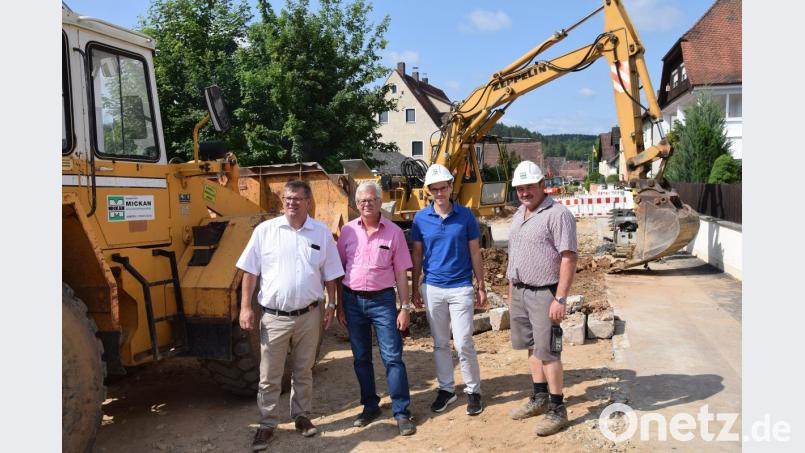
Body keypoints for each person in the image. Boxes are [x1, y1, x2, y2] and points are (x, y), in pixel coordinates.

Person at [236, 180, 344, 451]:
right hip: (274, 317)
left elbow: (331, 274)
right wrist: (245, 307)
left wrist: (331, 305)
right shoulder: (265, 231)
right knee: (269, 375)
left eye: (297, 198)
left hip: (310, 315)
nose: (291, 203)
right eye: (287, 198)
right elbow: (249, 272)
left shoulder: (321, 233)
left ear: (308, 202)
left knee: (303, 370)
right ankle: (267, 424)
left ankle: (302, 416)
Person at [336, 181, 416, 436]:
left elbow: (401, 273)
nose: (366, 204)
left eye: (371, 200)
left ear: (380, 202)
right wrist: (339, 306)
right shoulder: (347, 231)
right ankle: (370, 406)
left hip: (382, 302)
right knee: (361, 358)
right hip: (352, 301)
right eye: (362, 201)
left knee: (392, 358)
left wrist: (405, 308)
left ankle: (402, 412)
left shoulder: (394, 232)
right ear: (356, 204)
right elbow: (339, 271)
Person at [505, 161, 578, 436]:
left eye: (529, 187)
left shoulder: (558, 215)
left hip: (545, 293)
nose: (524, 193)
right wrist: (511, 290)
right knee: (531, 347)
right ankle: (539, 397)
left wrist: (560, 298)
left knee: (548, 351)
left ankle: (557, 408)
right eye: (520, 188)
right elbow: (514, 254)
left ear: (542, 185)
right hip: (520, 291)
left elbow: (568, 257)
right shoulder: (518, 213)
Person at [411, 163, 487, 416]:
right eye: (434, 189)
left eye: (443, 188)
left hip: (461, 287)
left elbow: (475, 252)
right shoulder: (421, 218)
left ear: (451, 187)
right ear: (429, 191)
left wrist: (481, 285)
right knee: (440, 343)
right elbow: (417, 254)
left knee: (463, 342)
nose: (439, 193)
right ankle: (446, 389)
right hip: (433, 287)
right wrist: (414, 288)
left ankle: (473, 390)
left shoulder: (466, 216)